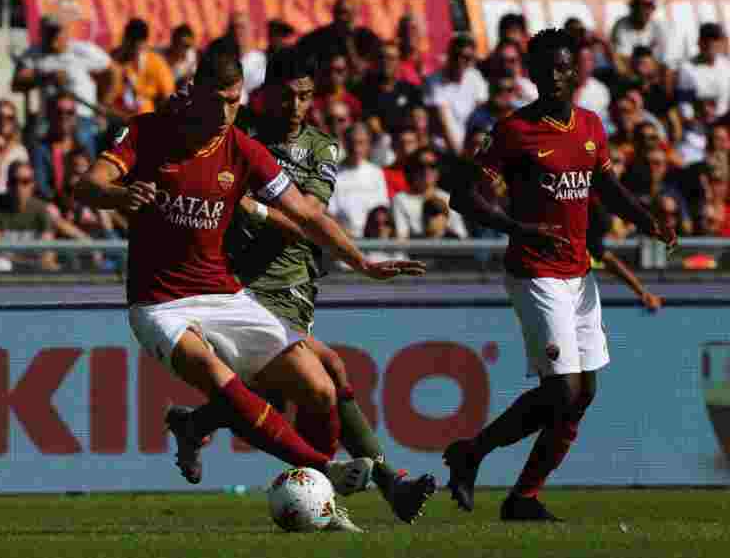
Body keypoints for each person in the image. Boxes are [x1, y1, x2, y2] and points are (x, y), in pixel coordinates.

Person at [74, 50, 425, 533]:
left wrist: (362, 262)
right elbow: (86, 185)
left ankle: (316, 492)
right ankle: (327, 470)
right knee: (218, 377)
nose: (224, 113)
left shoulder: (243, 149)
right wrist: (119, 194)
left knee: (320, 387)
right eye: (217, 100)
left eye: (233, 102)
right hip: (159, 302)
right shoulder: (148, 131)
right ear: (194, 91)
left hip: (223, 292)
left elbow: (306, 215)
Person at [179, 49, 437, 525]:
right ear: (268, 94)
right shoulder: (238, 136)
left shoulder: (321, 148)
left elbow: (304, 222)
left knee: (272, 397)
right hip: (245, 287)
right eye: (289, 96)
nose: (298, 107)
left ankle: (195, 424)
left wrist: (251, 206)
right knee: (329, 375)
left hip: (297, 287)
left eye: (306, 96)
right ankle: (383, 485)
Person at [444, 28, 675, 521]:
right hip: (535, 272)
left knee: (583, 392)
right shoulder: (514, 131)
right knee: (562, 390)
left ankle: (523, 498)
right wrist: (517, 227)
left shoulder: (591, 124)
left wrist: (645, 219)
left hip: (578, 274)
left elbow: (606, 185)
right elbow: (463, 197)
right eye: (544, 68)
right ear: (531, 73)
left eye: (563, 68)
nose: (554, 76)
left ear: (577, 72)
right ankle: (472, 453)